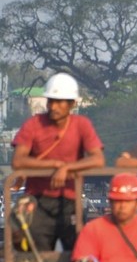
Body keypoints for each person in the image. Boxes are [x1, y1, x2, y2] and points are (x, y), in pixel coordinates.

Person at [11, 72, 105, 250]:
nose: (54, 106)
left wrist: (67, 168)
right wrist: (55, 165)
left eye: (60, 101)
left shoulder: (81, 125)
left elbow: (98, 159)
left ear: (72, 104)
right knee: (34, 255)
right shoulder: (34, 124)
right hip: (38, 200)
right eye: (51, 101)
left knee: (78, 254)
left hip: (70, 201)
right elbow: (18, 161)